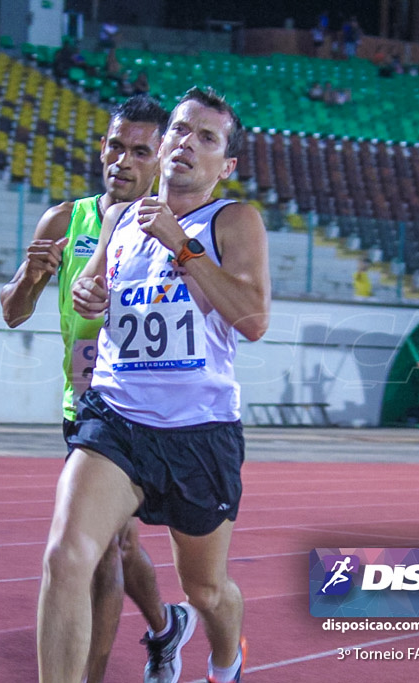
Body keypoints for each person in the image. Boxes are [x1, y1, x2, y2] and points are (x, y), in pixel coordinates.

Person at [38, 87, 269, 683]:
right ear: (163, 141)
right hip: (115, 418)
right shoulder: (119, 220)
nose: (188, 143)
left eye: (208, 138)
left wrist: (182, 244)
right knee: (67, 556)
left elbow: (252, 319)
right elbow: (95, 292)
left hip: (199, 432)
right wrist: (91, 293)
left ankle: (225, 663)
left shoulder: (233, 220)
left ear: (227, 164)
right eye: (180, 130)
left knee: (207, 590)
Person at [1, 96, 181, 683]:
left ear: (159, 161)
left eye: (138, 151)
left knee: (110, 548)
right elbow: (13, 312)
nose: (121, 160)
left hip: (144, 408)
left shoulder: (169, 231)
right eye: (114, 145)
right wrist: (31, 277)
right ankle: (165, 628)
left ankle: (132, 648)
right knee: (114, 547)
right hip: (85, 406)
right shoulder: (64, 220)